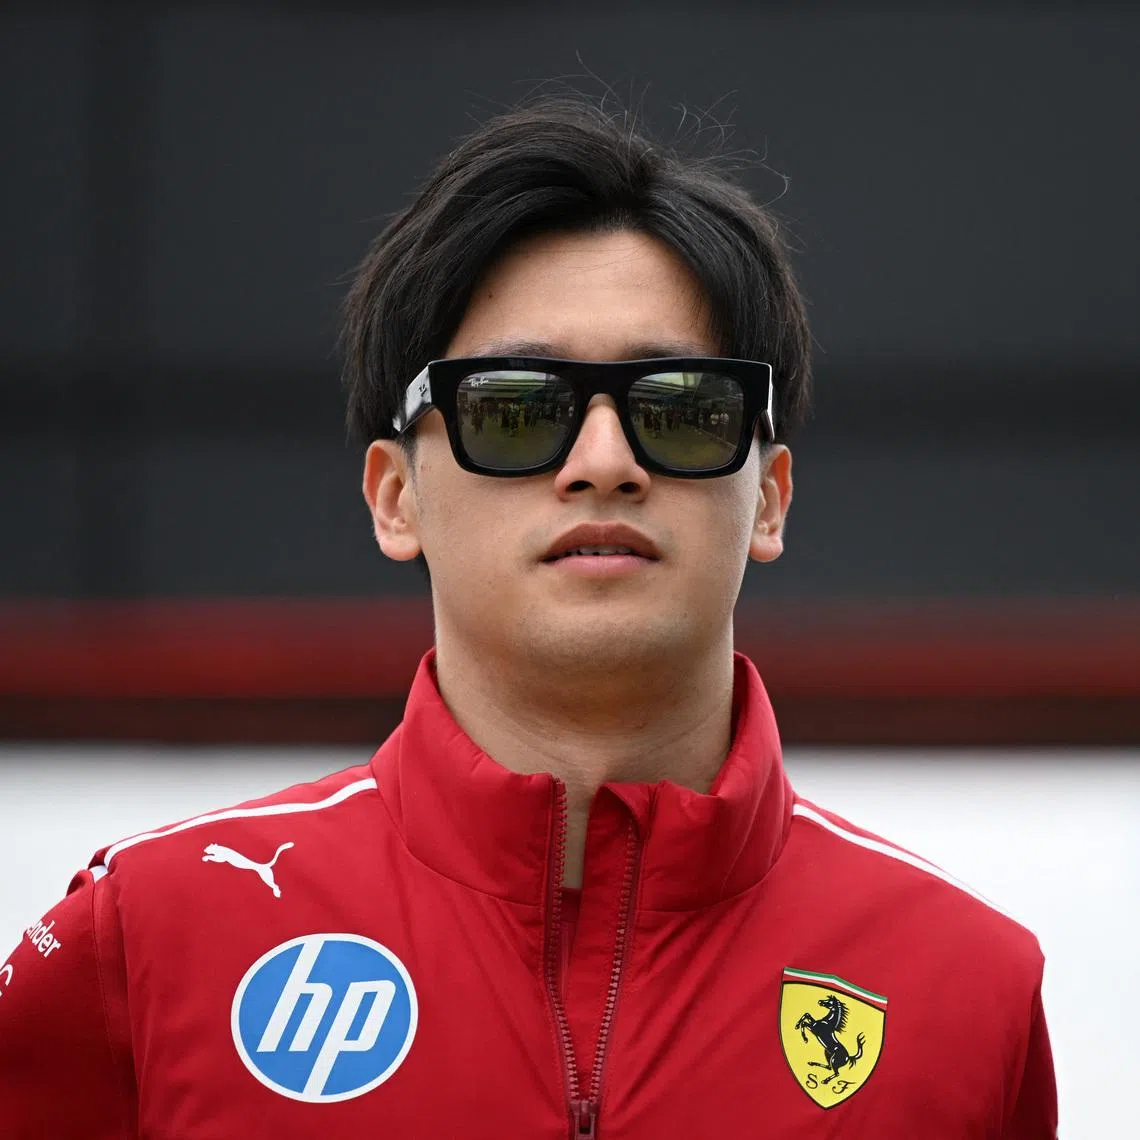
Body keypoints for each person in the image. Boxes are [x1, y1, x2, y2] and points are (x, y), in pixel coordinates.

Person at [0, 96, 1056, 1139]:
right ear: (393, 496)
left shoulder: (968, 993)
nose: (605, 463)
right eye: (516, 408)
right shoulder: (146, 938)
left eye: (682, 409)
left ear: (770, 496)